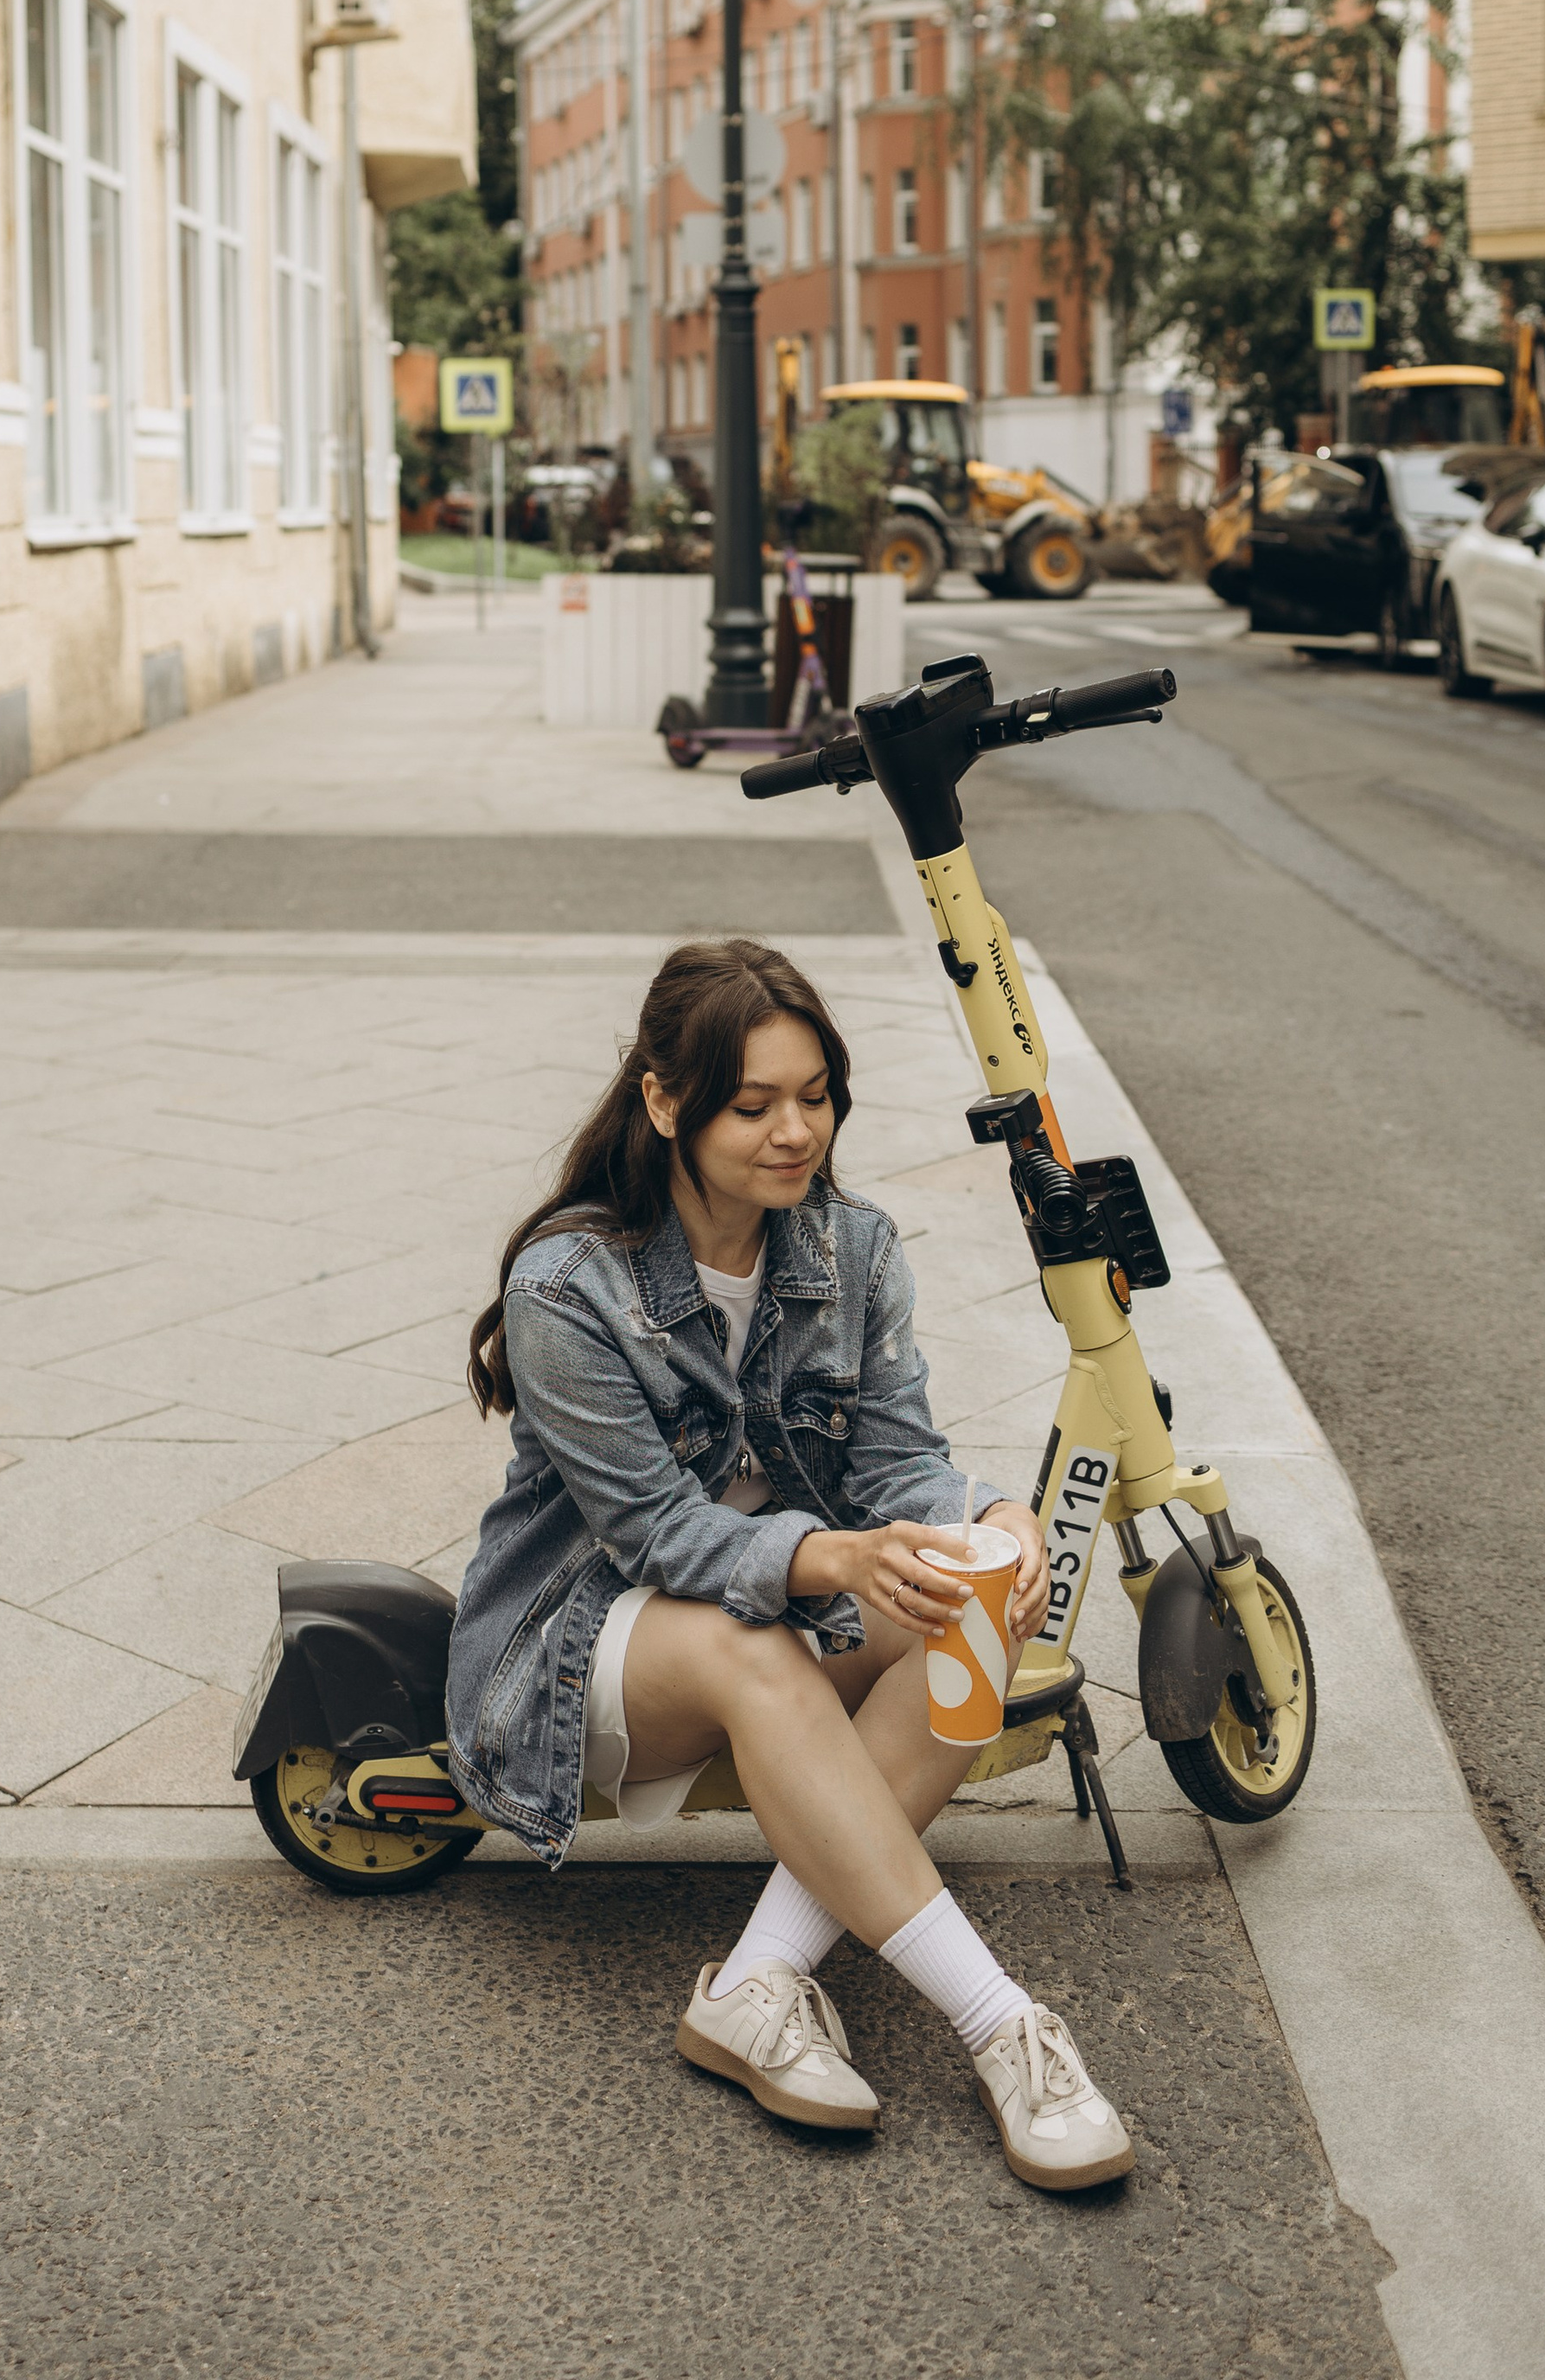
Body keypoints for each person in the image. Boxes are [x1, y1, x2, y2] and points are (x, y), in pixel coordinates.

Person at [446, 936, 1133, 2191]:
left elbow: (898, 1462)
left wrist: (993, 1519)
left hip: (781, 1597)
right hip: (578, 1642)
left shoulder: (851, 1249)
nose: (794, 1130)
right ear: (666, 1101)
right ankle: (1004, 2028)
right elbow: (658, 1536)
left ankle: (759, 1980)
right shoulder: (570, 1286)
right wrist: (837, 1557)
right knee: (748, 1638)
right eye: (754, 1102)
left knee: (958, 1611)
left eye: (814, 1095)